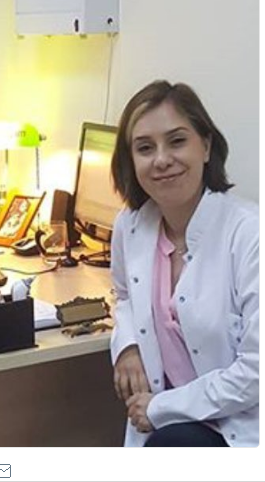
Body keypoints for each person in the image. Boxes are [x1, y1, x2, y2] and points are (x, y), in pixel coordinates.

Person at [109, 80, 258, 447]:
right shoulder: (131, 226)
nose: (161, 160)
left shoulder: (250, 235)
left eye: (177, 141)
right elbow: (123, 296)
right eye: (145, 148)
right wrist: (127, 344)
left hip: (241, 425)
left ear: (205, 146)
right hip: (171, 421)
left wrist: (162, 407)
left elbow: (257, 371)